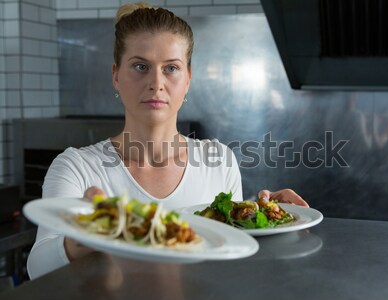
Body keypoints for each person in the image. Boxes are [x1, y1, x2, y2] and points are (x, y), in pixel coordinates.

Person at [26, 2, 308, 279]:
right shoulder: (76, 167)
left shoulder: (219, 160)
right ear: (115, 75)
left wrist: (271, 217)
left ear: (188, 79)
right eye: (140, 66)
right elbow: (37, 266)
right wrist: (85, 235)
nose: (156, 83)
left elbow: (231, 250)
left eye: (171, 68)